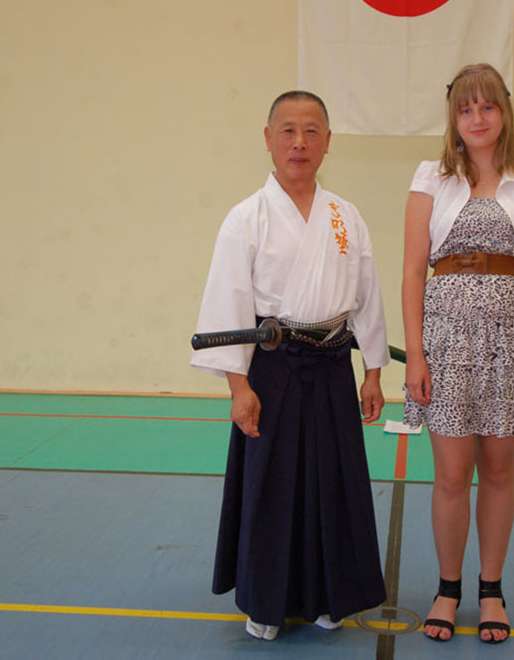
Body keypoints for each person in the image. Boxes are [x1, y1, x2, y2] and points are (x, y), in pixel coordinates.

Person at [191, 90, 390, 641]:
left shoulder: (345, 216)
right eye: (288, 131)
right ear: (268, 139)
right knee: (273, 483)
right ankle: (267, 601)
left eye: (311, 131)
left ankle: (330, 596)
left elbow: (366, 297)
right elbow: (228, 302)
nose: (299, 142)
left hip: (333, 364)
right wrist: (239, 387)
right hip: (273, 366)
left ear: (327, 142)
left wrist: (373, 372)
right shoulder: (246, 217)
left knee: (334, 481)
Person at [401, 63, 514, 644]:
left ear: (504, 111)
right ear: (453, 118)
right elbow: (413, 271)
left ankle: (491, 589)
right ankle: (447, 589)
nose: (477, 118)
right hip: (445, 342)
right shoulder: (430, 177)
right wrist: (415, 354)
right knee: (451, 476)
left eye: (487, 107)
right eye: (466, 109)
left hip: (511, 342)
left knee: (498, 472)